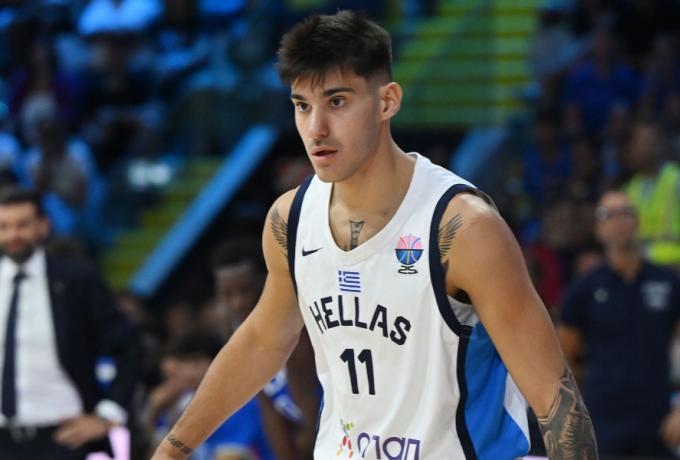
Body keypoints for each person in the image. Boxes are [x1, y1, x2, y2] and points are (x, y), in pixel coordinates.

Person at [152, 10, 597, 460]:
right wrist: (170, 451)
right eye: (302, 105)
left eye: (337, 102)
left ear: (387, 102)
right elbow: (262, 341)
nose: (316, 128)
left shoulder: (463, 227)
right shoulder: (291, 219)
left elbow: (556, 400)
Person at [0, 186, 140, 459]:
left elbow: (130, 347)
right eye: (4, 227)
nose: (13, 235)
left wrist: (107, 414)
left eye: (22, 225)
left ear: (43, 225)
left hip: (62, 437)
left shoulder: (76, 280)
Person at [558, 189, 680, 457]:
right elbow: (563, 360)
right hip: (603, 424)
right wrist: (575, 416)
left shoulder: (667, 283)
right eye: (608, 214)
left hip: (658, 424)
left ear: (638, 221)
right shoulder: (584, 289)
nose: (619, 220)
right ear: (597, 228)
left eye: (626, 212)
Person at [211, 237, 318, 459]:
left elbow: (309, 403)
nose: (238, 302)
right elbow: (267, 404)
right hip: (297, 419)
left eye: (245, 290)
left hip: (331, 424)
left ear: (266, 281)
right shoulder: (233, 328)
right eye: (228, 294)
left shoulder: (292, 324)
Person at [146, 331, 275, 460]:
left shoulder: (241, 403)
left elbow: (231, 456)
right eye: (184, 363)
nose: (188, 372)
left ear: (218, 363)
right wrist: (155, 409)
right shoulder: (181, 405)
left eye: (196, 362)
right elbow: (161, 454)